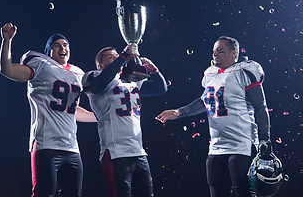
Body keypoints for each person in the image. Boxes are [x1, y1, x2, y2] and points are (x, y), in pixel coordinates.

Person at [156, 36, 271, 197]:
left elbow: (261, 107)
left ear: (234, 53)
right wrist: (179, 112)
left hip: (242, 144)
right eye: (214, 50)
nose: (215, 53)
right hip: (216, 147)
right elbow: (204, 101)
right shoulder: (211, 74)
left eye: (220, 50)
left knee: (242, 192)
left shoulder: (244, 72)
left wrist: (264, 138)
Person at [0, 23, 97, 197]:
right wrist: (7, 41)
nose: (62, 48)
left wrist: (100, 116)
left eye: (65, 45)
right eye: (56, 45)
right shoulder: (41, 65)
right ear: (49, 51)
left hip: (72, 147)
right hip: (46, 144)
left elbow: (72, 110)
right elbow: (7, 70)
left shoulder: (78, 73)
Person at [82, 45, 168, 197]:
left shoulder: (131, 81)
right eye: (110, 56)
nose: (116, 57)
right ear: (100, 65)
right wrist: (123, 57)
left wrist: (154, 71)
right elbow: (101, 82)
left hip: (138, 152)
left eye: (117, 55)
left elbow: (160, 89)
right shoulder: (93, 76)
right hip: (115, 153)